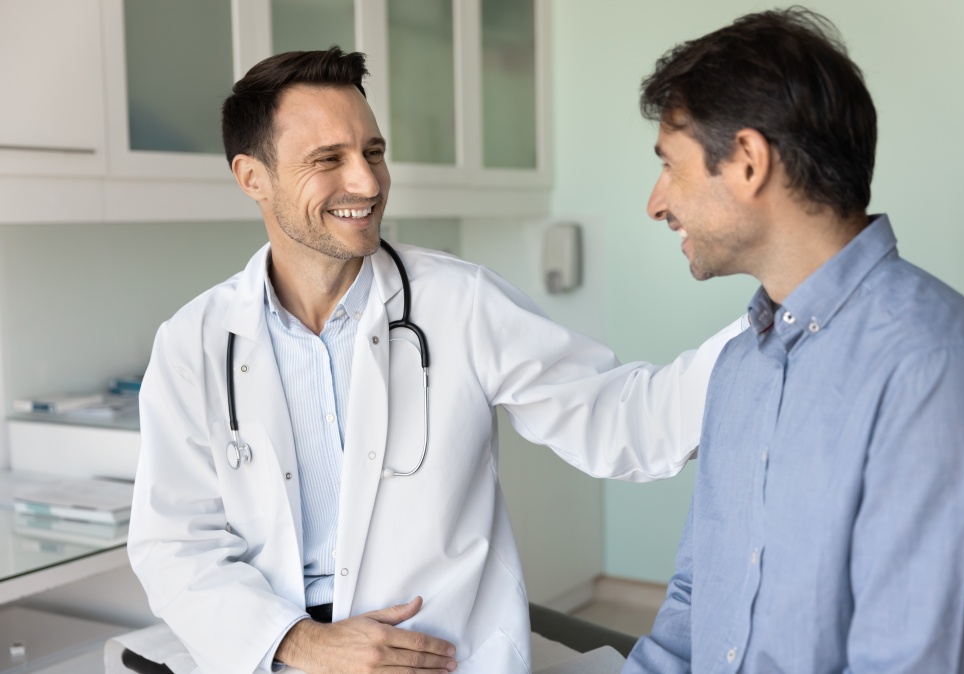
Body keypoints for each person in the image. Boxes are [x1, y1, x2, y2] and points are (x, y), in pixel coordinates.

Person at [127, 48, 744, 674]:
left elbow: (625, 422)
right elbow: (175, 545)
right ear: (252, 176)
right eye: (328, 160)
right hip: (273, 657)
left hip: (440, 659)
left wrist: (778, 309)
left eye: (372, 152)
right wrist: (298, 642)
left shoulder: (459, 301)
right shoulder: (195, 343)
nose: (367, 183)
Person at [623, 8, 964, 674]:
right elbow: (692, 611)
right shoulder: (741, 368)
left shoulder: (940, 376)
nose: (655, 202)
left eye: (670, 167)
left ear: (746, 161)